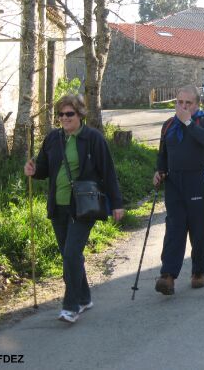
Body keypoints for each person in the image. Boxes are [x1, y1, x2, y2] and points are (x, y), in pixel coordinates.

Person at [24, 94, 124, 324]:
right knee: (70, 255)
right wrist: (33, 170)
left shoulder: (93, 138)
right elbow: (43, 169)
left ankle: (71, 306)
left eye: (69, 114)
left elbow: (108, 172)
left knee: (70, 254)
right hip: (58, 204)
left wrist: (117, 204)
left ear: (80, 114)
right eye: (60, 114)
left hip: (83, 205)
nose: (64, 118)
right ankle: (85, 297)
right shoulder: (53, 138)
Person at [153, 85, 204, 295]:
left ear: (197, 104)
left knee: (200, 228)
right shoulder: (168, 125)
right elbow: (163, 153)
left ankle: (199, 271)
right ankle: (168, 275)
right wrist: (159, 171)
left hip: (198, 178)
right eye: (179, 102)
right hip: (174, 182)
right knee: (174, 227)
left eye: (188, 103)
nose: (183, 107)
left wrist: (188, 122)